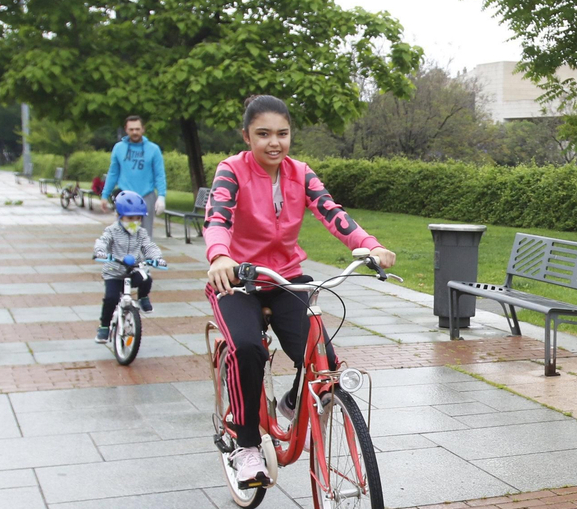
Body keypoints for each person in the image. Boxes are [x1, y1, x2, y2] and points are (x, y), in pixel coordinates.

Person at [204, 94, 397, 488]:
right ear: (246, 136)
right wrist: (220, 255)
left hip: (285, 279)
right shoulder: (231, 171)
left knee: (324, 360)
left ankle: (292, 401)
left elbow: (331, 211)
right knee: (247, 349)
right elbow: (218, 215)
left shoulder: (300, 173)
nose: (274, 142)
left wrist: (369, 244)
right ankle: (246, 446)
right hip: (238, 280)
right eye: (263, 134)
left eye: (282, 133)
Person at [93, 191, 162, 343]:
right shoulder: (112, 231)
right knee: (111, 298)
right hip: (114, 271)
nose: (135, 222)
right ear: (119, 216)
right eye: (130, 218)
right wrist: (100, 251)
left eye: (138, 218)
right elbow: (103, 241)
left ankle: (143, 298)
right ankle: (104, 327)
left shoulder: (141, 233)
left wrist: (156, 258)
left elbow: (149, 246)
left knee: (146, 278)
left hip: (133, 269)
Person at [102, 116, 168, 236]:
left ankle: (145, 255)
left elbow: (159, 175)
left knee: (145, 234)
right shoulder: (119, 148)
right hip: (125, 196)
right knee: (123, 234)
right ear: (126, 130)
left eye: (137, 129)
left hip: (146, 195)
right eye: (131, 129)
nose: (135, 132)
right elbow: (113, 173)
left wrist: (162, 196)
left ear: (143, 129)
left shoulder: (153, 149)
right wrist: (105, 195)